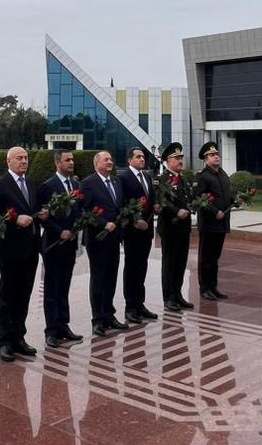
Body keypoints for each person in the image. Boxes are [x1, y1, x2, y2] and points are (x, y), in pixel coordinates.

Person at [0, 146, 47, 361]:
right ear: (9, 161)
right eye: (19, 158)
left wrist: (42, 214)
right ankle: (5, 341)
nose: (24, 161)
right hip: (11, 249)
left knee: (24, 294)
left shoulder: (32, 184)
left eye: (26, 158)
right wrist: (15, 219)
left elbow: (35, 210)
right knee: (8, 295)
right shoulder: (0, 184)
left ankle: (19, 337)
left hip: (31, 247)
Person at [37, 149, 84, 348]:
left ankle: (63, 325)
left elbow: (79, 211)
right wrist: (59, 231)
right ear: (58, 163)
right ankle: (51, 330)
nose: (71, 163)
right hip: (53, 244)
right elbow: (43, 216)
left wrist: (76, 227)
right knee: (52, 288)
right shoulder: (48, 186)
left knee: (64, 286)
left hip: (70, 244)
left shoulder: (76, 185)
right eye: (67, 160)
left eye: (72, 159)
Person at [79, 150, 128, 337]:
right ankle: (98, 319)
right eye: (106, 159)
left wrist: (123, 218)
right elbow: (84, 210)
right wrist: (102, 223)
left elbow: (119, 206)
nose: (110, 162)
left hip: (115, 238)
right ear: (96, 163)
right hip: (97, 238)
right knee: (98, 279)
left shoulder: (116, 181)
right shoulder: (88, 183)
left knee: (111, 277)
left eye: (111, 159)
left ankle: (109, 315)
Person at [117, 147, 158, 325]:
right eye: (138, 156)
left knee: (142, 267)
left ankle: (140, 304)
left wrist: (155, 206)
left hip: (147, 230)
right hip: (132, 231)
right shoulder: (123, 178)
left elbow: (150, 199)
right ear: (129, 160)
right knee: (132, 267)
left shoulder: (147, 176)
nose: (142, 159)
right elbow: (121, 203)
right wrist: (135, 220)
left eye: (143, 156)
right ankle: (130, 307)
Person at [156, 143, 194, 312]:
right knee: (169, 263)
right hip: (170, 228)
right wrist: (176, 211)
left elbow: (188, 198)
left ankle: (178, 294)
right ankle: (168, 297)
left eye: (181, 158)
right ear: (168, 161)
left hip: (184, 228)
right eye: (177, 158)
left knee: (180, 263)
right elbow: (161, 201)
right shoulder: (161, 179)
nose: (180, 161)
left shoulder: (184, 178)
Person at [195, 141, 233, 301]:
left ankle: (213, 287)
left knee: (215, 258)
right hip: (209, 224)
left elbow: (227, 194)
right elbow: (198, 198)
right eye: (212, 155)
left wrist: (236, 200)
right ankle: (204, 288)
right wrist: (214, 211)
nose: (216, 157)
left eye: (216, 154)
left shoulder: (222, 174)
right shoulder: (202, 176)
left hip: (222, 223)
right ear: (206, 159)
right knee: (206, 258)